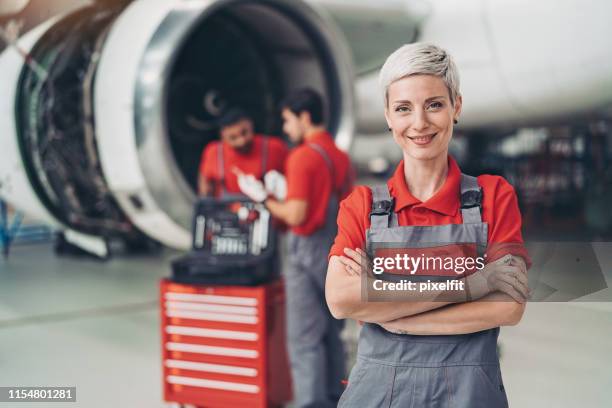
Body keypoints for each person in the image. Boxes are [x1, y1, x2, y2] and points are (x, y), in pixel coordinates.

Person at [326, 43, 531, 407]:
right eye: (403, 108)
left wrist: (393, 311)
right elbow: (341, 300)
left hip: (470, 392)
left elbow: (508, 306)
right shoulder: (361, 205)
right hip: (376, 392)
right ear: (389, 116)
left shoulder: (494, 196)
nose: (419, 123)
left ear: (457, 107)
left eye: (434, 104)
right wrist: (474, 283)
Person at [236, 89, 354, 408]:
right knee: (331, 331)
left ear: (304, 117)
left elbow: (296, 215)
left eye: (288, 120)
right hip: (335, 250)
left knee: (304, 337)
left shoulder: (302, 156)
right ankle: (335, 398)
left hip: (306, 249)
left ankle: (311, 403)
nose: (286, 129)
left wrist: (264, 198)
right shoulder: (339, 156)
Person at [198, 107, 288, 197]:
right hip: (226, 209)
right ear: (222, 137)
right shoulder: (213, 152)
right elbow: (205, 184)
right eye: (233, 138)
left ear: (251, 125)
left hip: (268, 208)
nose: (242, 141)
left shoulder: (274, 147)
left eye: (244, 132)